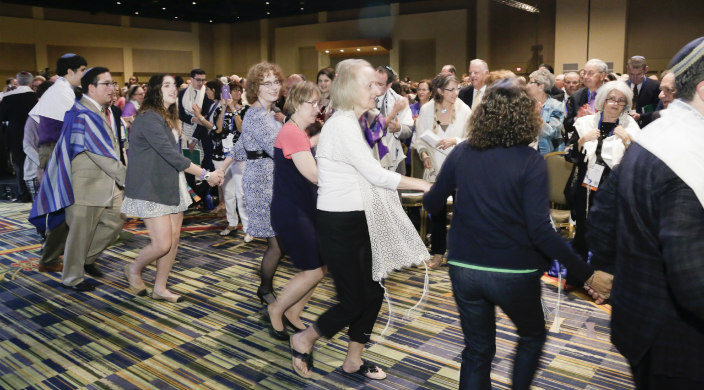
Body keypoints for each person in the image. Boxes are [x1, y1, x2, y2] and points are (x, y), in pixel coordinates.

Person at [423, 78, 612, 390]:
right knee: (532, 336)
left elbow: (432, 203)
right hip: (513, 271)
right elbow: (541, 232)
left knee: (477, 349)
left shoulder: (462, 154)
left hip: (464, 269)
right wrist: (588, 274)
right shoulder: (529, 161)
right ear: (526, 117)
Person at [289, 59, 431, 380]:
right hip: (338, 223)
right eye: (370, 85)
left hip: (356, 219)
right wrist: (425, 184)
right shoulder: (341, 124)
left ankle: (353, 360)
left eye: (378, 84)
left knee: (373, 291)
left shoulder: (352, 123)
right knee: (354, 300)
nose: (376, 91)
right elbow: (375, 175)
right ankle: (304, 338)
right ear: (351, 89)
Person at [586, 36, 704, 389]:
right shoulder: (687, 152)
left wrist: (611, 270)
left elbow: (603, 216)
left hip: (640, 317)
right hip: (678, 339)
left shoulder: (656, 135)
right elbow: (692, 278)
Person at [122, 74, 223, 302]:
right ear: (155, 90)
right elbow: (169, 154)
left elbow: (173, 153)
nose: (172, 89)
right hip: (152, 185)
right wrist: (206, 174)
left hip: (170, 182)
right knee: (162, 243)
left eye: (173, 85)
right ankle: (134, 268)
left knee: (174, 239)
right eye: (165, 85)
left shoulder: (166, 115)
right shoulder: (149, 117)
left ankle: (160, 287)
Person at [30, 67, 126, 291]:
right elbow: (100, 154)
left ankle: (87, 259)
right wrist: (130, 178)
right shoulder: (83, 113)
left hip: (107, 182)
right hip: (85, 185)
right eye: (107, 84)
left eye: (113, 84)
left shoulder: (96, 110)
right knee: (80, 234)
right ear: (91, 87)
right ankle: (72, 278)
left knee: (117, 218)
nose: (113, 88)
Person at [220, 62, 285, 305]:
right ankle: (265, 290)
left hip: (270, 180)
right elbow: (280, 150)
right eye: (266, 83)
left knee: (279, 244)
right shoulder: (258, 115)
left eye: (276, 82)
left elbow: (240, 146)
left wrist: (223, 168)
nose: (273, 87)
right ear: (255, 88)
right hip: (262, 183)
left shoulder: (265, 113)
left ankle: (266, 288)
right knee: (277, 245)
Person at [265, 81, 325, 340]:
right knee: (313, 269)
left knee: (321, 266)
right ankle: (276, 309)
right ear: (299, 104)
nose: (318, 109)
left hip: (302, 207)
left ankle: (293, 312)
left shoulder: (297, 131)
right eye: (313, 103)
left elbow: (306, 148)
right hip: (292, 211)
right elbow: (312, 174)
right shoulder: (291, 132)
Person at [564, 81, 639, 269]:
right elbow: (570, 155)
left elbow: (639, 161)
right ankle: (578, 273)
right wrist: (582, 140)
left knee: (610, 231)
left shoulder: (630, 126)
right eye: (612, 98)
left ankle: (604, 274)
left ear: (625, 105)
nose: (615, 103)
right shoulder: (585, 123)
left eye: (621, 101)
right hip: (586, 185)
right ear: (603, 101)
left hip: (614, 186)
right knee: (582, 228)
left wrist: (627, 140)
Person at [413, 72, 471, 268]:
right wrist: (424, 155)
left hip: (460, 168)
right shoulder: (427, 109)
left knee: (462, 213)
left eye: (457, 89)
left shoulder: (464, 109)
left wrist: (455, 140)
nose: (456, 93)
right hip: (435, 170)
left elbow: (473, 138)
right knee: (436, 213)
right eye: (451, 89)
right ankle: (437, 254)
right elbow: (419, 139)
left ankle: (461, 254)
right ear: (439, 91)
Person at [218, 81, 251, 241]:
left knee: (241, 193)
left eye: (239, 90)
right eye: (234, 91)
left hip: (240, 154)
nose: (237, 93)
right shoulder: (220, 108)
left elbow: (241, 129)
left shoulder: (246, 109)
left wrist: (232, 109)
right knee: (228, 192)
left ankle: (247, 228)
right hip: (223, 153)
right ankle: (231, 222)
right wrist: (224, 107)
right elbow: (217, 129)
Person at [0, 71, 36, 202]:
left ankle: (24, 193)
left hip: (15, 134)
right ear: (31, 82)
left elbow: (2, 116)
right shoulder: (36, 97)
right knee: (36, 162)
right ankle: (37, 192)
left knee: (20, 165)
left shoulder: (8, 97)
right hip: (35, 133)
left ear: (18, 81)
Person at [527, 69, 565, 154]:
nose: (527, 85)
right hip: (528, 153)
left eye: (531, 82)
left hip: (549, 154)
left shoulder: (556, 106)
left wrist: (537, 117)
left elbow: (552, 132)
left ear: (541, 86)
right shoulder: (526, 105)